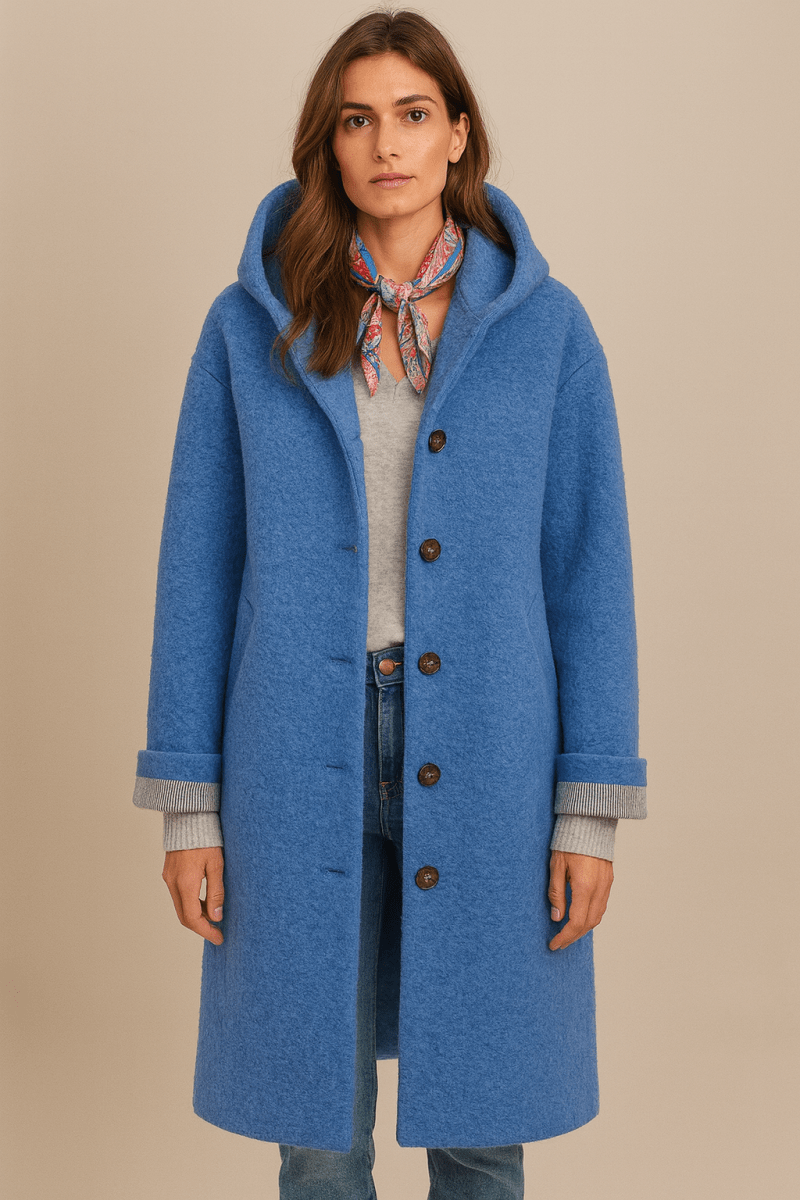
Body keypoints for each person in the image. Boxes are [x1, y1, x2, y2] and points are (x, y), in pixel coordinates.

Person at [132, 9, 647, 1198]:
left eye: (413, 115)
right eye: (357, 120)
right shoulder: (250, 326)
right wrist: (187, 809)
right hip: (290, 748)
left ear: (458, 134)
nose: (386, 145)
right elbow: (198, 566)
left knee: (482, 1116)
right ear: (328, 142)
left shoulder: (546, 333)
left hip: (490, 751)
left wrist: (588, 813)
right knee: (315, 1130)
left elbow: (588, 575)